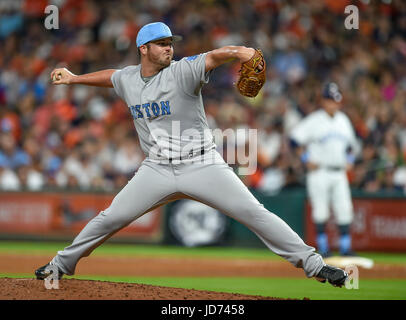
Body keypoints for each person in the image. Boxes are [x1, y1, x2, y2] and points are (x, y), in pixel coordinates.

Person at [35, 22, 347, 287]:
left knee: (254, 212)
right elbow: (112, 76)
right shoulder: (128, 79)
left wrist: (241, 52)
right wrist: (75, 78)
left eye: (171, 43)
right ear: (143, 48)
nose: (169, 48)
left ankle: (314, 264)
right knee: (111, 218)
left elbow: (213, 56)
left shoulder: (183, 71)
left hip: (203, 164)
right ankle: (59, 265)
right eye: (161, 44)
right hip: (156, 169)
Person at [290, 82, 358, 257]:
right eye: (329, 100)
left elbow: (352, 146)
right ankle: (323, 248)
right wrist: (305, 159)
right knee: (320, 211)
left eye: (336, 100)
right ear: (323, 101)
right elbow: (294, 140)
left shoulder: (343, 120)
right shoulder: (314, 120)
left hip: (339, 172)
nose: (333, 104)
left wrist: (350, 160)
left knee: (345, 209)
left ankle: (345, 248)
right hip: (319, 172)